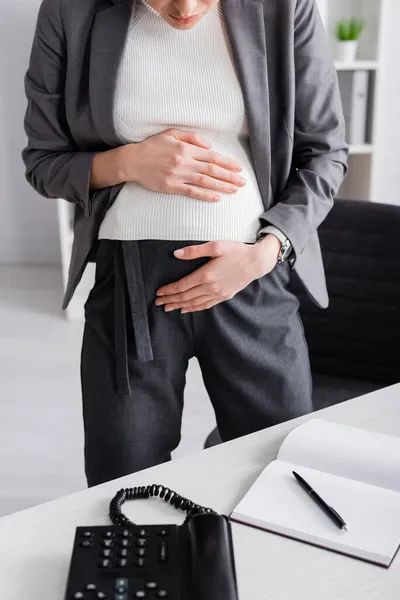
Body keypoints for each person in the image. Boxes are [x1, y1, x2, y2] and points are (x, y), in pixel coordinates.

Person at [22, 0, 348, 487]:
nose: (185, 8)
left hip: (251, 277)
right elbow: (43, 161)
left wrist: (265, 252)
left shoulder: (283, 7)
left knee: (283, 476)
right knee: (125, 485)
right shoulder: (71, 11)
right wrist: (128, 163)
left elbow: (325, 153)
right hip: (130, 286)